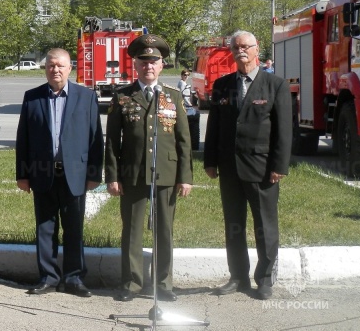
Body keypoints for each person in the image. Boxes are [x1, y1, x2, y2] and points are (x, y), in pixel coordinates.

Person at [105, 34, 193, 303]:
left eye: (154, 61)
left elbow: (183, 141)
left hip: (166, 174)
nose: (149, 66)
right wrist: (112, 176)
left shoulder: (173, 97)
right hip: (132, 174)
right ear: (136, 64)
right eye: (143, 62)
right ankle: (131, 283)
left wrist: (185, 177)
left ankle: (164, 283)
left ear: (162, 65)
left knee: (164, 230)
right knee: (131, 230)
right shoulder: (122, 98)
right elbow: (111, 142)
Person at [205, 30, 291, 300]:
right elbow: (214, 126)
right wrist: (210, 160)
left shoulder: (275, 85)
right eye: (236, 47)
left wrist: (279, 165)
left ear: (257, 50)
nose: (240, 50)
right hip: (230, 167)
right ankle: (238, 276)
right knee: (234, 224)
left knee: (265, 225)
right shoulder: (222, 85)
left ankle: (264, 278)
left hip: (262, 167)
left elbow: (284, 130)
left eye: (245, 46)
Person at [15, 48, 102, 298]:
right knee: (45, 228)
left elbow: (96, 138)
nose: (55, 70)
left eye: (60, 66)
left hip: (75, 174)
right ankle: (48, 277)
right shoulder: (32, 98)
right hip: (43, 173)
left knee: (74, 228)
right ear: (45, 69)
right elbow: (24, 139)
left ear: (69, 68)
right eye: (51, 65)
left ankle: (74, 278)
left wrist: (94, 174)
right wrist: (23, 174)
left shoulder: (85, 97)